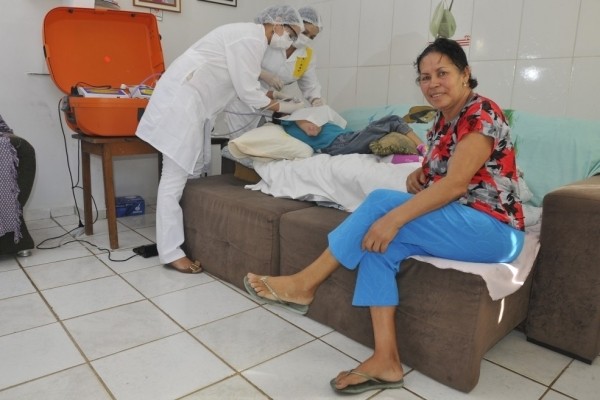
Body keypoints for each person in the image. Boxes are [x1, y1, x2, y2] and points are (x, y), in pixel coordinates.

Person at [244, 37, 525, 394]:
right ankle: (387, 361)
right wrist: (417, 176)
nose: (432, 83)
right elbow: (441, 180)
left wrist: (393, 217)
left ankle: (305, 284)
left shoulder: (481, 112)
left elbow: (455, 185)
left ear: (465, 74)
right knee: (379, 245)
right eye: (424, 77)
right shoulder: (440, 123)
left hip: (496, 231)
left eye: (442, 73)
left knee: (380, 207)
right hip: (462, 219)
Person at [136, 5, 305, 274]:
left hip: (194, 105)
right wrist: (289, 108)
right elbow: (249, 93)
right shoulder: (250, 39)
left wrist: (277, 98)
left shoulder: (251, 40)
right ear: (278, 24)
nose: (291, 41)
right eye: (292, 34)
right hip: (184, 103)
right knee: (175, 175)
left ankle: (184, 239)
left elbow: (244, 83)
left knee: (193, 168)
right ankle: (170, 252)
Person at [223, 6, 325, 137]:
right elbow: (243, 63)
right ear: (296, 25)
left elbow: (310, 85)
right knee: (242, 144)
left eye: (312, 37)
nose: (307, 38)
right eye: (305, 32)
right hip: (242, 103)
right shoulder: (274, 40)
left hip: (270, 107)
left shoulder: (308, 55)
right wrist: (262, 73)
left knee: (264, 144)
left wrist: (316, 99)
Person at [277, 111, 423, 155]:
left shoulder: (294, 121)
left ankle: (414, 156)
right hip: (341, 142)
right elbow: (313, 131)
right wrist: (314, 117)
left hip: (347, 140)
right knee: (393, 120)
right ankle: (424, 148)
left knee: (385, 141)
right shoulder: (291, 120)